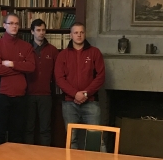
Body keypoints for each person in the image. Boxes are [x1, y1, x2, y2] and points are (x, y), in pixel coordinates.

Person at [55, 22, 106, 150]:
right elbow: (59, 78)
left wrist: (86, 93)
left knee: (96, 140)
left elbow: (100, 76)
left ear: (85, 34)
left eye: (81, 32)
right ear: (71, 35)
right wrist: (75, 94)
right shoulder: (62, 55)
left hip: (91, 102)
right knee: (71, 140)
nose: (79, 35)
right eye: (76, 32)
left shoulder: (95, 52)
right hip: (69, 103)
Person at [0, 13, 35, 145]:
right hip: (2, 94)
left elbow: (31, 67)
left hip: (20, 96)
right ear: (4, 25)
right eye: (11, 23)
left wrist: (12, 64)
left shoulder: (26, 46)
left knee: (17, 134)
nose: (14, 26)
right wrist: (20, 67)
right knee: (0, 132)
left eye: (16, 24)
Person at [25, 19, 59, 146]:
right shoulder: (26, 49)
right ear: (32, 32)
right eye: (38, 30)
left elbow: (57, 73)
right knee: (29, 128)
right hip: (28, 94)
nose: (41, 33)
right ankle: (28, 155)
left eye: (43, 30)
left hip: (46, 95)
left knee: (45, 129)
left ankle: (46, 155)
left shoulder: (53, 50)